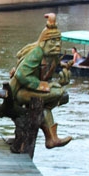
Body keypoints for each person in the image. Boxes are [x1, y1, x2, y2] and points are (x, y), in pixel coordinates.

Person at [8, 13, 72, 149]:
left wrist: (61, 81)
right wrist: (42, 85)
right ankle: (49, 138)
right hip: (19, 92)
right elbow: (21, 75)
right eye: (53, 41)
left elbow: (46, 78)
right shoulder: (37, 53)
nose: (57, 45)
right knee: (57, 93)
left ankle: (52, 138)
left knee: (53, 98)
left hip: (31, 91)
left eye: (59, 41)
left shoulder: (53, 57)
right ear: (44, 42)